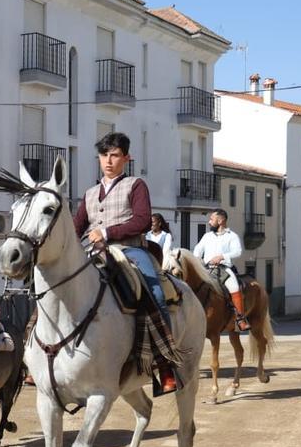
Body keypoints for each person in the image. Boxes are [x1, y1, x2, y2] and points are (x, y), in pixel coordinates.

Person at [75, 133, 179, 392]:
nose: (108, 161)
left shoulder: (136, 185)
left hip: (129, 250)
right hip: (94, 252)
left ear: (126, 158)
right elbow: (76, 227)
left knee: (154, 291)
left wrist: (108, 233)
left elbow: (142, 221)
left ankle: (165, 363)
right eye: (104, 155)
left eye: (114, 155)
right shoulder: (89, 193)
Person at [192, 209, 248, 332]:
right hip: (206, 269)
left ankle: (240, 318)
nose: (209, 222)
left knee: (234, 287)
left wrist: (222, 257)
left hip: (224, 269)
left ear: (221, 220)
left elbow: (237, 252)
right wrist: (197, 260)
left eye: (211, 219)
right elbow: (197, 250)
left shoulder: (232, 236)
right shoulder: (207, 236)